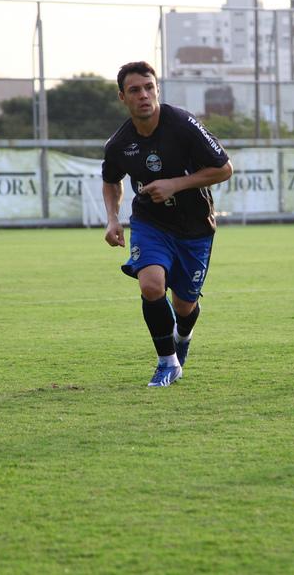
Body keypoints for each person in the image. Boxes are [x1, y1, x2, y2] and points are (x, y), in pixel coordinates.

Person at [102, 61, 233, 387]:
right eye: (135, 90)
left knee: (185, 306)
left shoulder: (184, 124)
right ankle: (167, 363)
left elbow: (224, 168)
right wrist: (112, 219)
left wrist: (175, 184)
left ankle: (182, 339)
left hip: (195, 226)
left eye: (149, 87)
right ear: (123, 97)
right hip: (150, 222)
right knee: (151, 285)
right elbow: (111, 180)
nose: (143, 95)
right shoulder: (119, 144)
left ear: (157, 89)